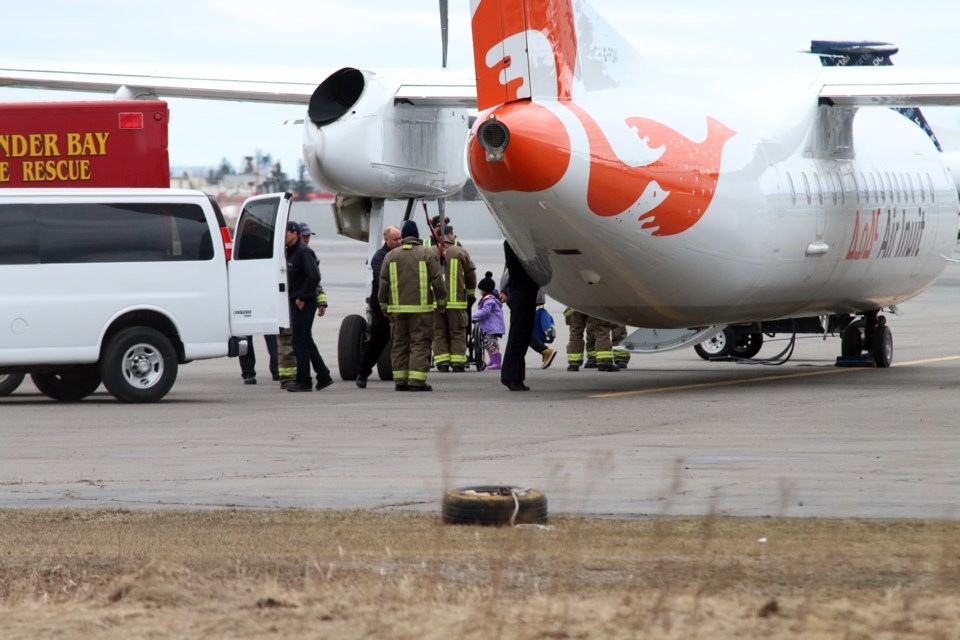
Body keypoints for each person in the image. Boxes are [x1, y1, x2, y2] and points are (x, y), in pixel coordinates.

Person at [379, 219, 447, 391]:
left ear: (403, 236)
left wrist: (384, 305)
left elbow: (383, 283)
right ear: (417, 236)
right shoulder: (427, 253)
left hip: (397, 311)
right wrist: (441, 302)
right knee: (420, 344)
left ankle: (400, 381)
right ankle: (417, 381)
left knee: (399, 344)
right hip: (421, 310)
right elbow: (437, 281)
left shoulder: (391, 255)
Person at [284, 221, 333, 392]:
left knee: (299, 342)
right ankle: (323, 375)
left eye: (285, 233)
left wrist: (302, 297)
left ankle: (304, 381)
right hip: (297, 300)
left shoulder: (303, 252)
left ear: (293, 233)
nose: (283, 237)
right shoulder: (290, 251)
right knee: (306, 341)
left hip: (303, 302)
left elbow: (314, 276)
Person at [356, 225, 402, 388]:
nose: (399, 241)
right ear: (386, 240)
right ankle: (363, 371)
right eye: (395, 239)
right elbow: (384, 279)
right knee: (378, 340)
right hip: (382, 305)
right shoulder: (379, 257)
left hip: (400, 304)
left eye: (400, 238)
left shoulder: (401, 254)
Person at [430, 224, 477, 372]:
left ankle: (442, 363)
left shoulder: (429, 252)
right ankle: (457, 363)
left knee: (439, 332)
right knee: (457, 332)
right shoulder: (460, 252)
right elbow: (470, 276)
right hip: (456, 302)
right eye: (453, 235)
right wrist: (470, 294)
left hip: (435, 303)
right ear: (449, 236)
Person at [499, 241, 540, 391]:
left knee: (523, 336)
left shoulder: (521, 244)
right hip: (520, 292)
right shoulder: (513, 244)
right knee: (517, 336)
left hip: (527, 292)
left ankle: (518, 377)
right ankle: (509, 377)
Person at [500, 272, 557, 370]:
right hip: (532, 295)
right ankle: (543, 351)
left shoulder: (520, 258)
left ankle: (545, 350)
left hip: (520, 295)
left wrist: (505, 291)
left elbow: (510, 274)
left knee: (520, 329)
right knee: (522, 328)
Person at [471, 271, 505, 369]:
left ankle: (497, 363)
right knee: (487, 343)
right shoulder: (489, 298)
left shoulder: (489, 300)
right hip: (488, 326)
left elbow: (485, 311)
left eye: (480, 290)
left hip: (492, 327)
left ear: (484, 290)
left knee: (492, 344)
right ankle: (492, 361)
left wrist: (473, 316)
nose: (480, 291)